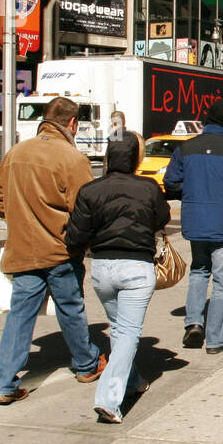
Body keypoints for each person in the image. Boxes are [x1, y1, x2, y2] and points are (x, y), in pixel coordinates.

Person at [0, 97, 106, 404]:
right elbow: (85, 208)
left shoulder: (17, 152)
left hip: (23, 250)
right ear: (72, 123)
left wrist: (15, 218)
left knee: (20, 316)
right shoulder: (72, 158)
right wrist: (83, 241)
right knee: (71, 308)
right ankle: (86, 364)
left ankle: (4, 383)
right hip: (60, 251)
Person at [65, 131, 170, 424]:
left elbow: (76, 235)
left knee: (119, 329)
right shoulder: (148, 188)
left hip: (103, 269)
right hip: (136, 268)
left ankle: (133, 380)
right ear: (136, 158)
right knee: (127, 334)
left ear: (109, 157)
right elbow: (162, 218)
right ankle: (109, 401)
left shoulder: (90, 190)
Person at [164, 103, 223, 354]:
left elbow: (171, 185)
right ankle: (215, 338)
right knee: (221, 281)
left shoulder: (186, 148)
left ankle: (194, 323)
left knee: (198, 271)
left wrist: (194, 194)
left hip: (195, 222)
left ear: (205, 120)